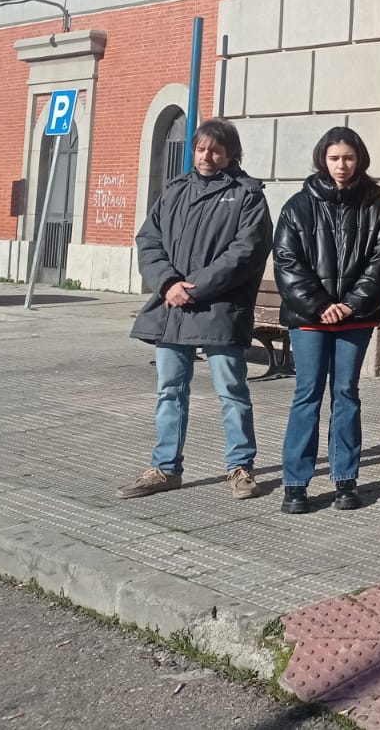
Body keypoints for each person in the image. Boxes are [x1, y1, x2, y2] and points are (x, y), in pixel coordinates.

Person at [117, 119, 273, 501]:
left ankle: (240, 467)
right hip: (172, 308)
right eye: (201, 148)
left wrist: (196, 288)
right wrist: (168, 284)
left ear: (231, 153)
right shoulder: (174, 191)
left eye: (215, 150)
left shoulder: (247, 195)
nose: (207, 156)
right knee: (169, 390)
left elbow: (246, 253)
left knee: (232, 391)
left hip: (219, 309)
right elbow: (149, 241)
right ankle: (165, 468)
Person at [272, 128, 380, 515]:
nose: (341, 165)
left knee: (346, 394)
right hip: (310, 319)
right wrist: (320, 305)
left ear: (359, 158)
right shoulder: (298, 206)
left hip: (353, 319)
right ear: (322, 160)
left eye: (347, 157)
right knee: (307, 395)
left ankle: (346, 480)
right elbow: (287, 262)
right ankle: (295, 483)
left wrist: (349, 305)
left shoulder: (376, 207)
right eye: (334, 158)